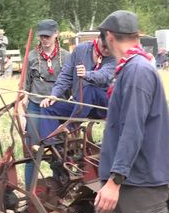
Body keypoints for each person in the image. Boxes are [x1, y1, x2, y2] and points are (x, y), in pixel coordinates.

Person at [87, 10, 169, 213]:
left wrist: (115, 180)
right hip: (117, 183)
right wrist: (112, 181)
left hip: (140, 185)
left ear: (110, 37)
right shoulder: (128, 69)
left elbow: (133, 129)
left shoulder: (138, 71)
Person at [22, 19, 70, 191]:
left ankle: (61, 188)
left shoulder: (66, 57)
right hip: (35, 107)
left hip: (57, 109)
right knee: (32, 153)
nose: (45, 39)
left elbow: (72, 88)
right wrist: (22, 115)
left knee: (60, 151)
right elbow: (25, 89)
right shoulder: (32, 57)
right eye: (42, 36)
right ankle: (30, 194)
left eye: (48, 36)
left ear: (56, 34)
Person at [38, 35, 115, 139]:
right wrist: (54, 94)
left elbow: (104, 75)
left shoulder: (115, 56)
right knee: (48, 106)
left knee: (89, 89)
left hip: (102, 106)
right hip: (79, 104)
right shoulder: (80, 50)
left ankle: (69, 129)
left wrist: (86, 74)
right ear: (98, 38)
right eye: (104, 46)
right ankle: (50, 145)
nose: (107, 50)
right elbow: (65, 75)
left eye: (110, 47)